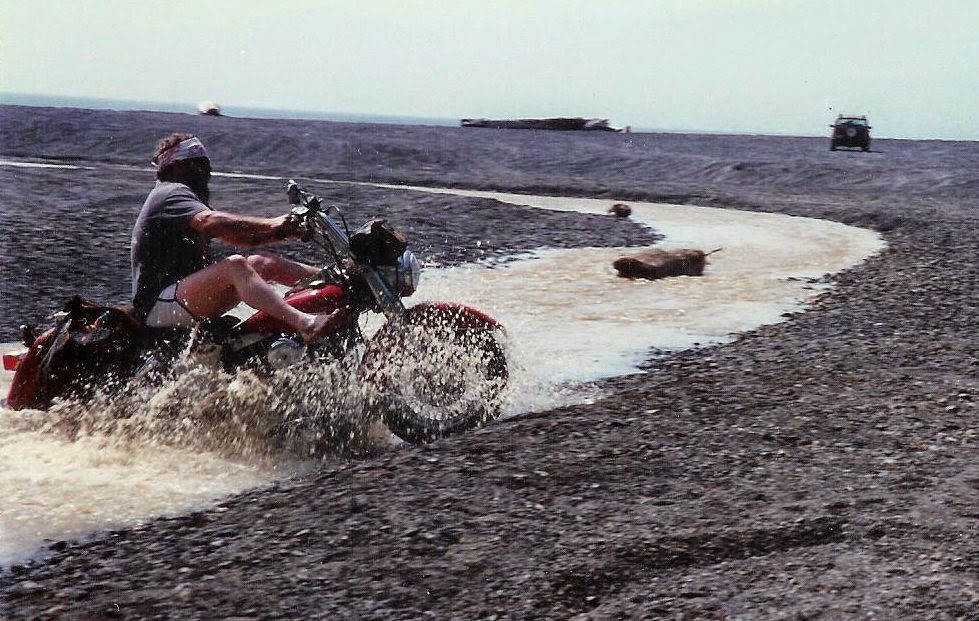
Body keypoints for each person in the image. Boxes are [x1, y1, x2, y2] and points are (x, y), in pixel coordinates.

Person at [130, 132, 347, 343]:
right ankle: (306, 324)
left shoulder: (181, 195)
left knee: (262, 263)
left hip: (180, 298)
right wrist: (272, 223)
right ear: (177, 166)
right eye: (200, 164)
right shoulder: (170, 193)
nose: (207, 171)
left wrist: (282, 233)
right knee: (235, 266)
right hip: (158, 306)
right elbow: (212, 222)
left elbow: (235, 238)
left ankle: (341, 280)